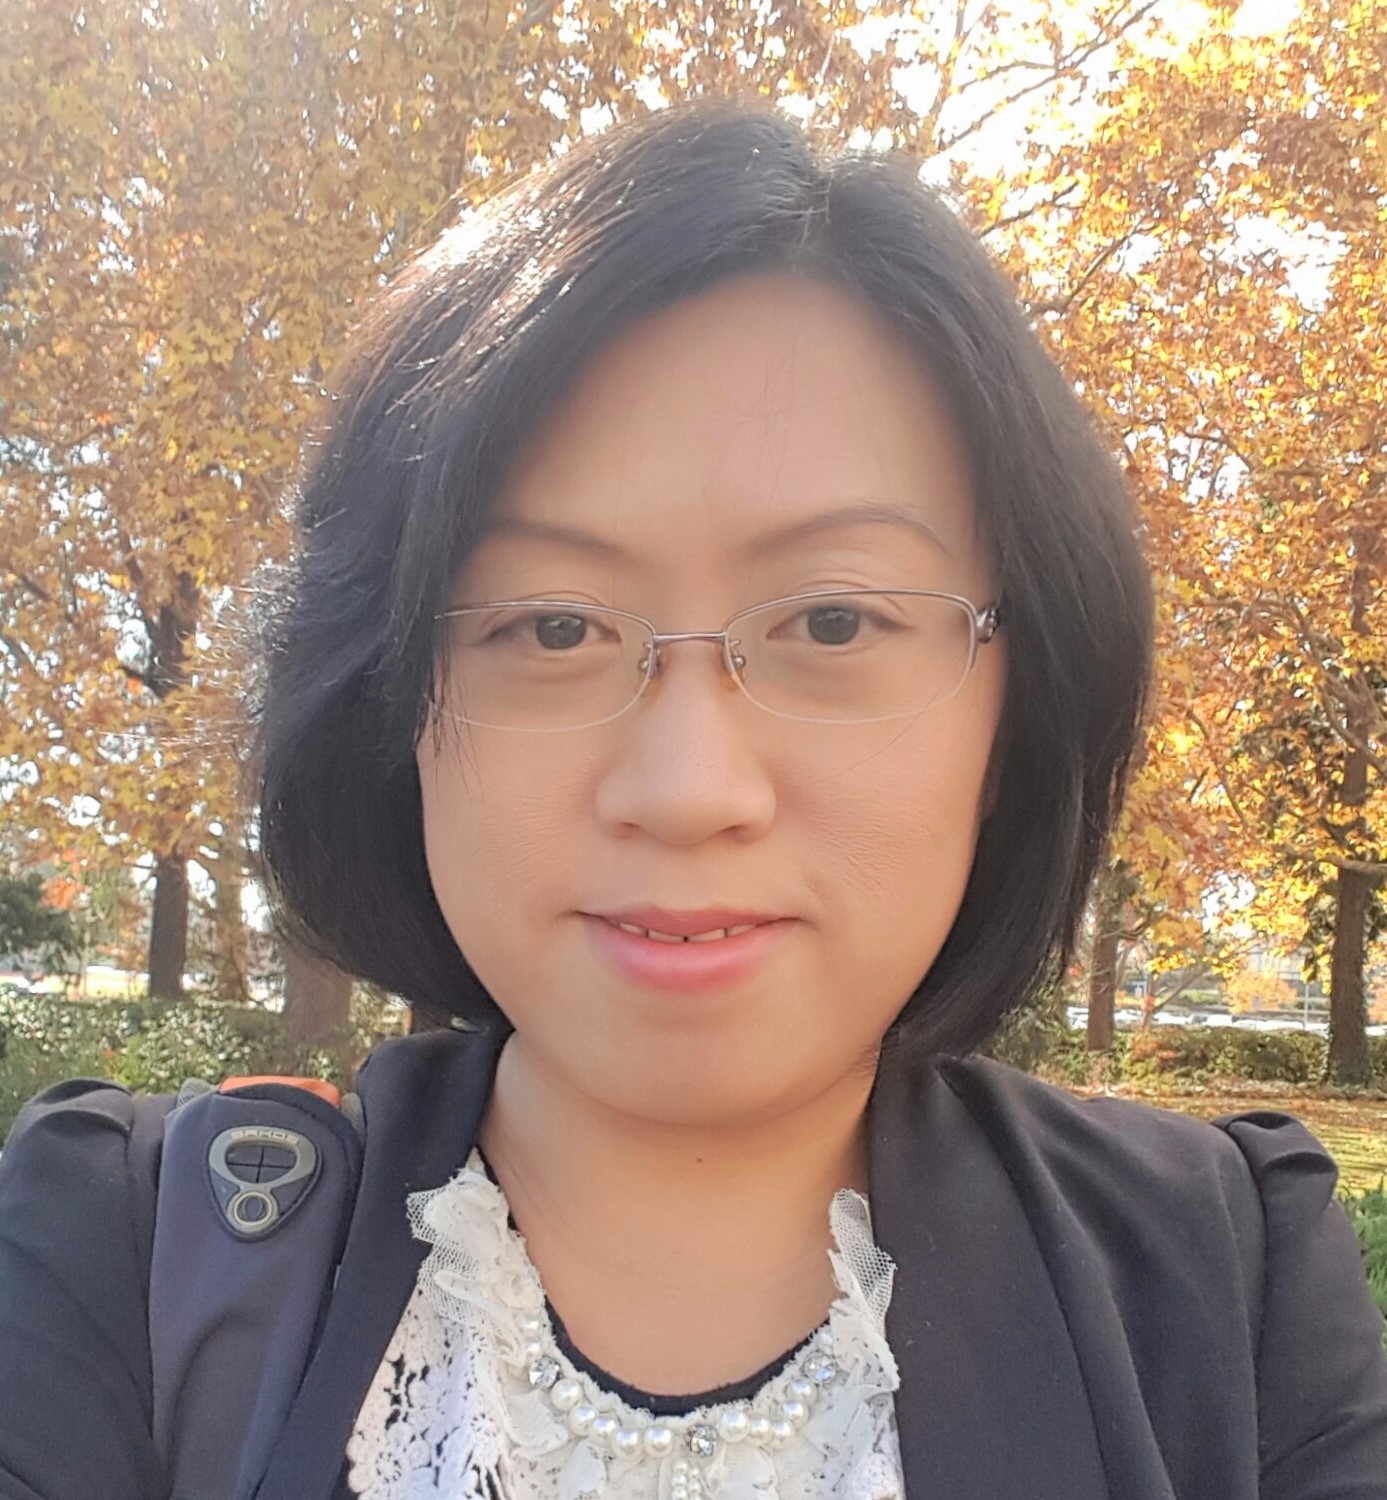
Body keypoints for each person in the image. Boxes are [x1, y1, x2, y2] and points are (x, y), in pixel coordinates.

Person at [2, 99, 1385, 1500]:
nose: (686, 789)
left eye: (834, 622)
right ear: (390, 702)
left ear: (1014, 703)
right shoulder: (121, 1257)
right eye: (551, 627)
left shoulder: (1228, 1288)